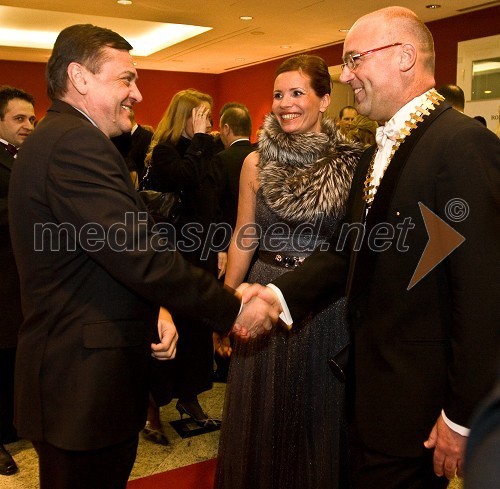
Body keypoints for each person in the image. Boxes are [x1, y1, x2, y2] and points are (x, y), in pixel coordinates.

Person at [8, 24, 278, 489]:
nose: (136, 92)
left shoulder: (64, 137)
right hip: (82, 383)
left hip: (82, 376)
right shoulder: (74, 143)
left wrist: (155, 308)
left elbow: (98, 255)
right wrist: (232, 308)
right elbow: (139, 254)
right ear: (80, 76)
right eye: (126, 79)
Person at [241, 6, 499, 489]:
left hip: (420, 404)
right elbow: (347, 251)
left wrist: (464, 417)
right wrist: (277, 297)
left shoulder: (462, 146)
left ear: (404, 57)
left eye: (355, 58)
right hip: (372, 394)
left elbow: (485, 295)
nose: (345, 74)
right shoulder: (375, 156)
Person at [214, 54, 362, 489]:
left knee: (318, 417)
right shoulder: (255, 164)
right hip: (259, 296)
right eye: (278, 94)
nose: (285, 103)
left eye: (297, 93)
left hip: (325, 307)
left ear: (324, 99)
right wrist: (224, 305)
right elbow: (245, 234)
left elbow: (349, 248)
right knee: (260, 418)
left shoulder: (352, 165)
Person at [142, 88, 226, 441]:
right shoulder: (164, 151)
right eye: (201, 115)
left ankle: (189, 399)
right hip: (169, 253)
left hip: (201, 252)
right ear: (185, 116)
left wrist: (220, 246)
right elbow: (184, 177)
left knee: (194, 333)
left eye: (208, 115)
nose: (206, 122)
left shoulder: (209, 150)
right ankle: (151, 413)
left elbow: (216, 199)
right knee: (164, 330)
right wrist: (200, 141)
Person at [0, 85, 35, 476]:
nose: (27, 125)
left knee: (16, 354)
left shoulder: (34, 155)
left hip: (27, 275)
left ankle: (15, 426)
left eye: (31, 118)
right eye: (18, 119)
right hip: (2, 274)